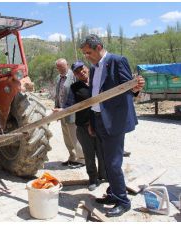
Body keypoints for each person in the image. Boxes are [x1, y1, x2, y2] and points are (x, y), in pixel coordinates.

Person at [79, 34, 145, 217]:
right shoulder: (93, 69)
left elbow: (129, 88)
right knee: (106, 161)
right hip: (98, 120)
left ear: (99, 47)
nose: (87, 56)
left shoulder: (117, 61)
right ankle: (113, 193)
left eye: (89, 52)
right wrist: (92, 121)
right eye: (85, 53)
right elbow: (94, 97)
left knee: (114, 163)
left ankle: (123, 201)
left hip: (114, 121)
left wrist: (137, 87)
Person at [64, 60, 106, 191]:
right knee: (88, 154)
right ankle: (93, 179)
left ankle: (103, 176)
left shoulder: (97, 82)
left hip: (100, 124)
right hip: (83, 126)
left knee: (102, 152)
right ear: (75, 75)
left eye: (82, 69)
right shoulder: (75, 87)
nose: (81, 72)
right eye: (77, 71)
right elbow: (69, 104)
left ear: (86, 68)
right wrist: (61, 110)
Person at [53, 58, 85, 167]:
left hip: (72, 112)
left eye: (62, 67)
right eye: (58, 67)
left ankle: (81, 159)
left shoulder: (74, 76)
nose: (60, 69)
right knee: (67, 137)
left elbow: (79, 94)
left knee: (75, 136)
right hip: (61, 112)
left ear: (67, 65)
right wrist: (56, 108)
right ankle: (72, 157)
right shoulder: (58, 78)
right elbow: (58, 95)